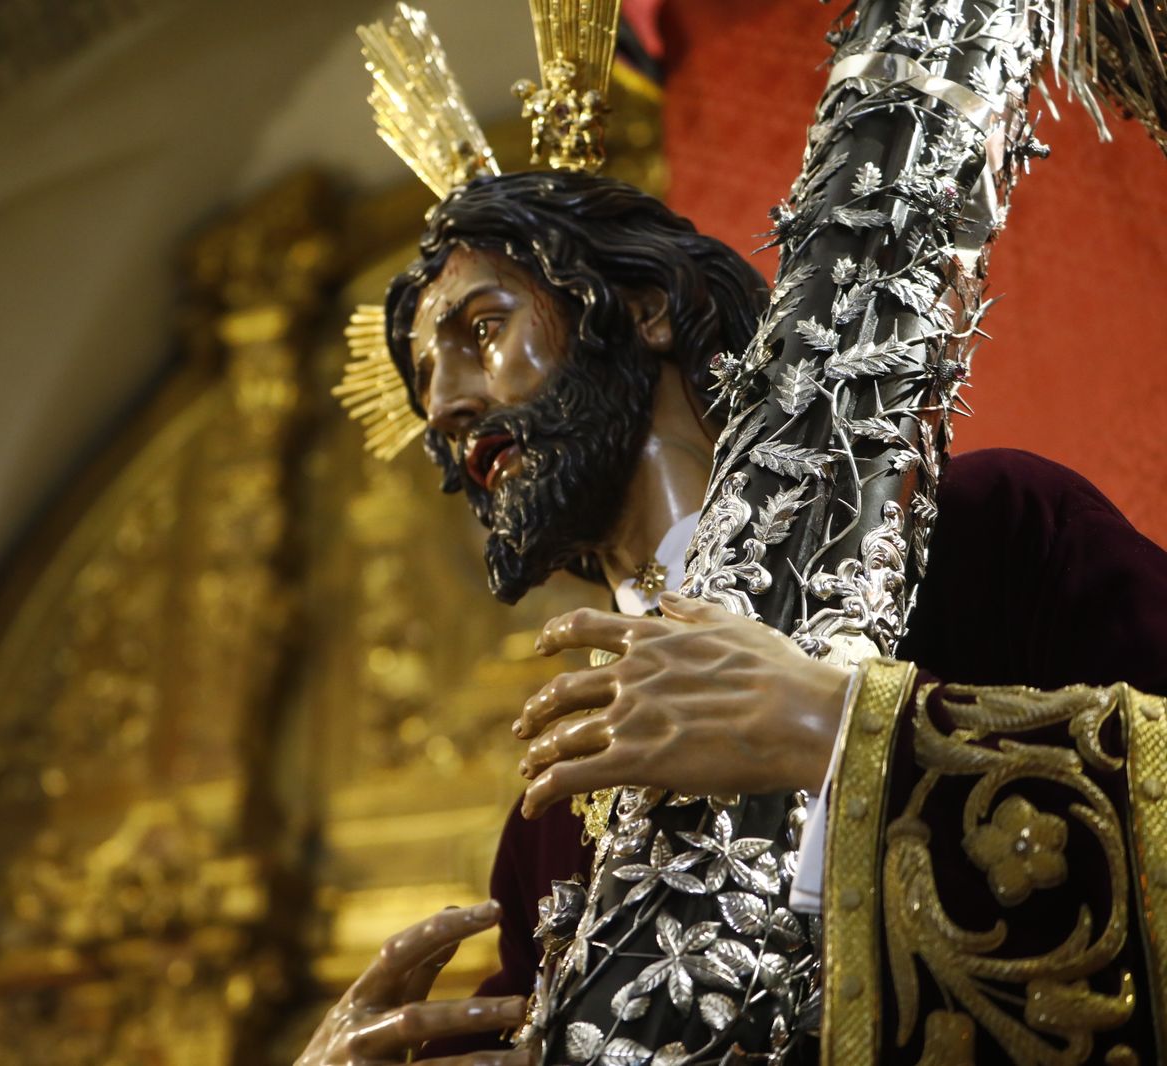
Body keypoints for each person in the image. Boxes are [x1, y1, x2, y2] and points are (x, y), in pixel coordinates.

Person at [296, 171, 1167, 1065]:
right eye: (425, 385)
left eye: (482, 329)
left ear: (644, 309)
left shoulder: (978, 535)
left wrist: (838, 726)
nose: (445, 408)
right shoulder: (557, 805)